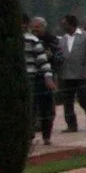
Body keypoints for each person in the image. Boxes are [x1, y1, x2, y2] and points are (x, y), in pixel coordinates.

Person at [56, 13, 86, 133]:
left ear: (71, 24)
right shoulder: (62, 39)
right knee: (67, 101)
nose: (62, 26)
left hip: (81, 73)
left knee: (83, 98)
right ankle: (71, 125)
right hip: (66, 74)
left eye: (64, 24)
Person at [24, 16, 56, 144]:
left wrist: (48, 77)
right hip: (25, 78)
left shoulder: (34, 40)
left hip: (38, 78)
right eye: (34, 26)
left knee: (46, 108)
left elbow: (43, 61)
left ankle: (46, 136)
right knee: (29, 109)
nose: (35, 29)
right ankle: (30, 135)